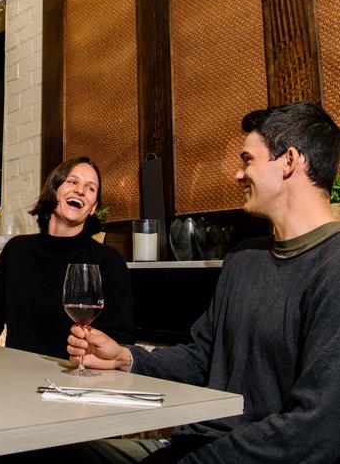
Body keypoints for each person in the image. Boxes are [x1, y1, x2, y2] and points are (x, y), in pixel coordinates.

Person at [66, 101, 340, 463]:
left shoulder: (332, 269)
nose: (238, 175)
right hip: (194, 444)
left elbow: (312, 435)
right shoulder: (243, 259)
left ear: (289, 161)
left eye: (248, 160)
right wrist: (125, 359)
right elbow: (202, 357)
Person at [0, 156, 136, 360]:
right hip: (15, 378)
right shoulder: (17, 250)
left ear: (93, 208)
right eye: (72, 182)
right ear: (54, 189)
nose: (80, 190)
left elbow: (121, 339)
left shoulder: (109, 260)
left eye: (90, 188)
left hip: (77, 382)